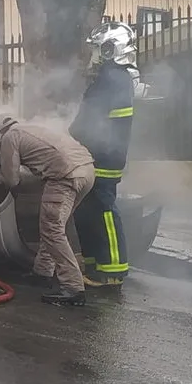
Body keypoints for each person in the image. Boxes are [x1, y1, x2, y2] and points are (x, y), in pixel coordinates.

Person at [0, 114, 95, 306]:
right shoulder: (31, 129)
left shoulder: (9, 137)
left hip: (65, 176)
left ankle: (73, 288)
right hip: (87, 171)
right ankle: (42, 273)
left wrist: (0, 176)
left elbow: (12, 180)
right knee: (53, 227)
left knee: (52, 230)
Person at [69, 21, 137, 287]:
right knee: (87, 210)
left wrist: (73, 132)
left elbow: (93, 118)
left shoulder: (112, 78)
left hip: (104, 156)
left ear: (111, 49)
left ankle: (112, 270)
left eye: (98, 49)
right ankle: (94, 264)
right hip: (98, 152)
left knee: (103, 210)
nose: (94, 55)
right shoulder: (113, 77)